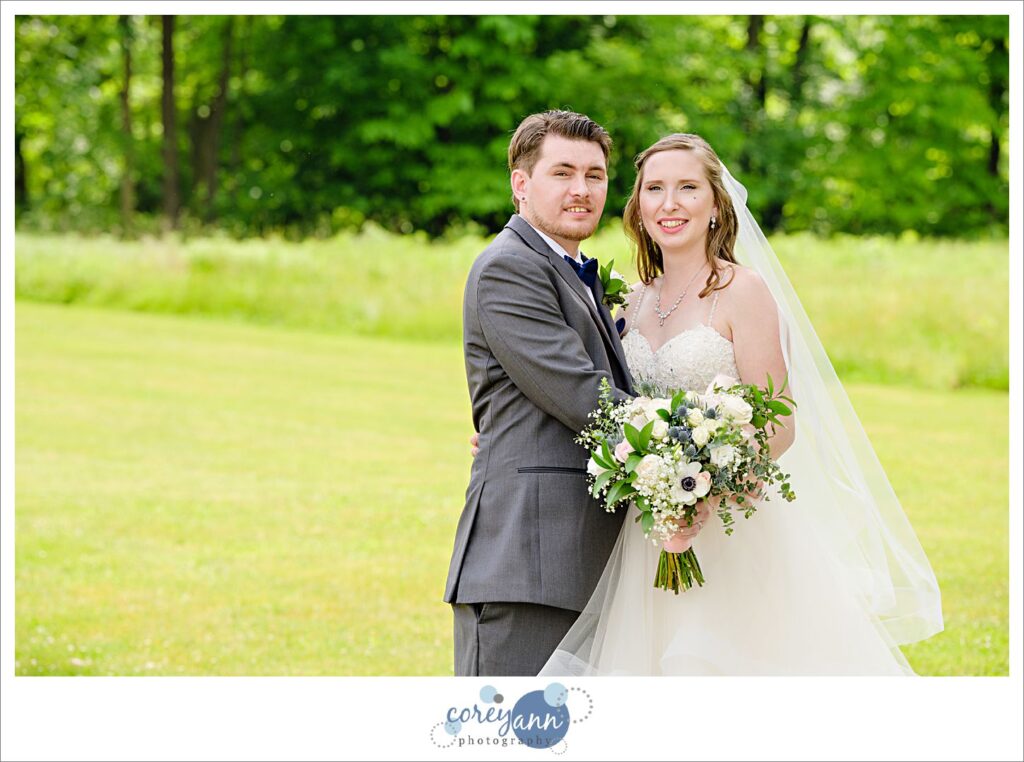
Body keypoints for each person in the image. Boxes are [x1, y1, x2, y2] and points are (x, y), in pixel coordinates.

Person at [535, 134, 944, 675]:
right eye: (654, 189)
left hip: (732, 527)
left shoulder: (743, 291)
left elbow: (779, 420)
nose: (670, 203)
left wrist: (704, 488)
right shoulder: (630, 300)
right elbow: (599, 398)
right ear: (638, 206)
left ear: (715, 205)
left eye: (688, 188)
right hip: (649, 530)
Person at [444, 112, 713, 676]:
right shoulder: (509, 268)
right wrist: (699, 454)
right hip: (528, 561)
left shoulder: (571, 270)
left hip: (581, 560)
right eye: (562, 172)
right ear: (521, 183)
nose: (580, 189)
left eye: (595, 175)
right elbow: (584, 398)